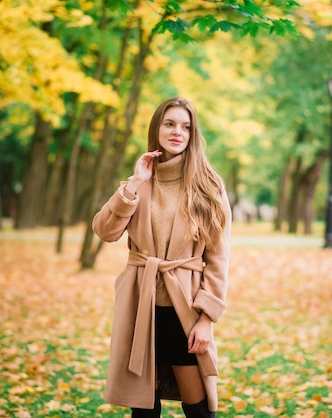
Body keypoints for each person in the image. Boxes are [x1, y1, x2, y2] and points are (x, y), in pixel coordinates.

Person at [92, 97, 231, 418]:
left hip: (185, 309)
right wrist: (136, 182)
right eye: (169, 124)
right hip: (141, 305)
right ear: (156, 129)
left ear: (193, 134)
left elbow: (219, 258)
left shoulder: (208, 185)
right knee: (143, 404)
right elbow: (105, 231)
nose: (177, 132)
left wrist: (207, 319)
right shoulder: (139, 181)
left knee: (198, 408)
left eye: (186, 126)